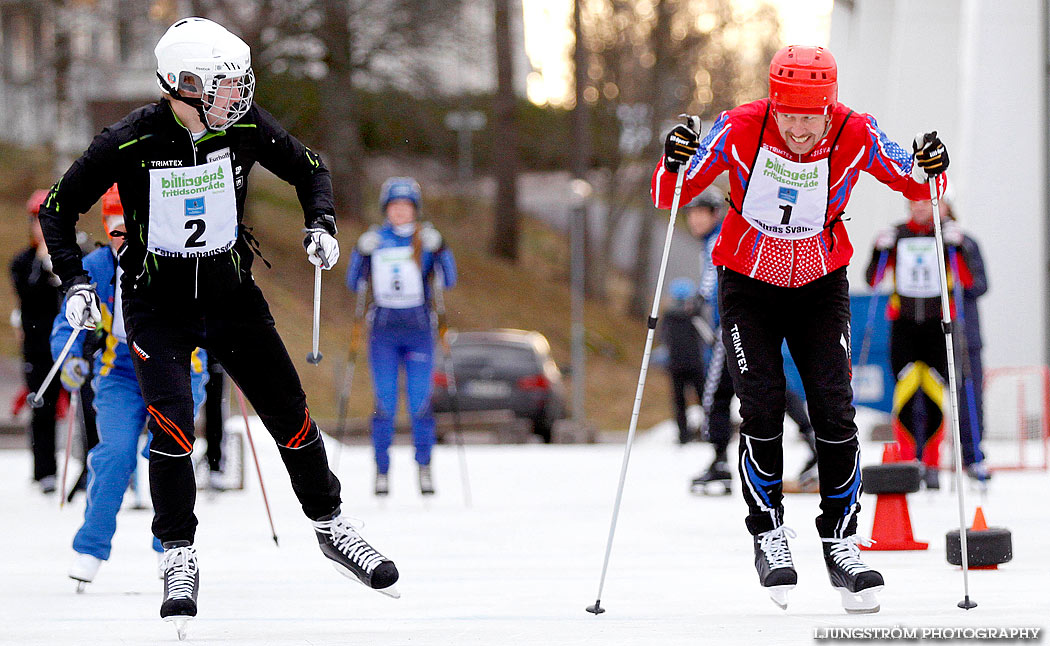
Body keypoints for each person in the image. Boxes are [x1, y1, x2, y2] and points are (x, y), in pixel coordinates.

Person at [37, 17, 399, 633]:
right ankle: (178, 553)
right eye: (226, 85)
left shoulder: (247, 127)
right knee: (173, 422)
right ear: (184, 84)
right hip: (157, 306)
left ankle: (333, 526)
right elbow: (57, 208)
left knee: (290, 410)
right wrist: (74, 282)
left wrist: (321, 224)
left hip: (232, 297)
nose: (240, 97)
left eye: (240, 84)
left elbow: (311, 167)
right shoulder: (130, 140)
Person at [652, 44, 949, 613]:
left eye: (810, 118)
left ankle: (841, 538)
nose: (798, 130)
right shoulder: (739, 126)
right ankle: (768, 531)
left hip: (818, 283)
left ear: (828, 108)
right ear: (774, 103)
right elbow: (672, 195)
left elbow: (918, 186)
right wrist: (672, 159)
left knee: (834, 411)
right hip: (748, 283)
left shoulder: (855, 131)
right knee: (759, 404)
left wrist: (933, 164)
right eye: (788, 116)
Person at [52, 185, 209, 590]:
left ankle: (171, 549)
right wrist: (68, 359)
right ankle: (91, 547)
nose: (125, 242)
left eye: (133, 232)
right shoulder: (98, 267)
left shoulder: (175, 260)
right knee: (115, 454)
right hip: (120, 371)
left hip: (176, 366)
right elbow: (66, 323)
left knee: (168, 452)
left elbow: (212, 309)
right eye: (117, 233)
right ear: (106, 229)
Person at [682, 191, 818, 496]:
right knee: (769, 386)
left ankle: (719, 462)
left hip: (732, 328)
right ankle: (814, 441)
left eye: (702, 212)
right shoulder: (726, 235)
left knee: (715, 394)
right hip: (752, 324)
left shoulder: (718, 238)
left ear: (715, 214)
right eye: (691, 213)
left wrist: (699, 299)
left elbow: (711, 277)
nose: (695, 219)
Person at [866, 195, 986, 488]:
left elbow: (970, 282)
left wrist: (960, 247)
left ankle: (932, 463)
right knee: (906, 394)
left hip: (937, 326)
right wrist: (877, 250)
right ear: (909, 206)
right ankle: (909, 460)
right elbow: (874, 279)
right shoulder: (898, 234)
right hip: (904, 327)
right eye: (915, 203)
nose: (921, 208)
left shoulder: (948, 237)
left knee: (934, 394)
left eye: (926, 202)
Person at [347, 177, 456, 497]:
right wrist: (358, 251)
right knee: (385, 403)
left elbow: (449, 280)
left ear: (415, 210)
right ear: (386, 209)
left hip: (419, 330)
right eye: (394, 207)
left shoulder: (426, 239)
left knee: (421, 403)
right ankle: (382, 469)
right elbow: (355, 283)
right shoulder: (376, 239)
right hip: (383, 332)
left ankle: (424, 466)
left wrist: (442, 249)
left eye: (406, 207)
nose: (400, 213)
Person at [10, 189, 63, 494]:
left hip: (70, 345)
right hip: (39, 345)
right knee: (41, 405)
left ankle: (85, 469)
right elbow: (28, 297)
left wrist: (57, 266)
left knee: (87, 405)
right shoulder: (22, 262)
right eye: (37, 222)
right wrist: (44, 267)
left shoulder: (71, 255)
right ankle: (44, 471)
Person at [658, 277, 707, 445]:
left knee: (679, 402)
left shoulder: (668, 316)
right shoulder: (695, 315)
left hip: (676, 364)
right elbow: (707, 337)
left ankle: (683, 434)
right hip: (695, 363)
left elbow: (663, 338)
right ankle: (709, 430)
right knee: (704, 398)